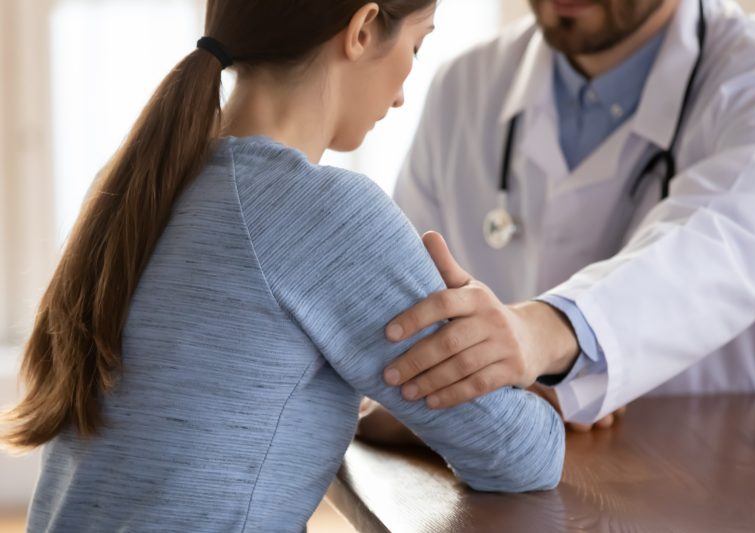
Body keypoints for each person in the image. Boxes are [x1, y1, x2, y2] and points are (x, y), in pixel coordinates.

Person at [1, 1, 566, 531]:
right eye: (415, 47)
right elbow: (521, 456)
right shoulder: (323, 211)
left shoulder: (139, 185)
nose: (400, 97)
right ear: (363, 29)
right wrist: (515, 364)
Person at [371, 0, 755, 431]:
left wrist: (542, 335)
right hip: (515, 459)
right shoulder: (464, 84)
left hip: (726, 452)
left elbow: (727, 240)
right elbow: (398, 324)